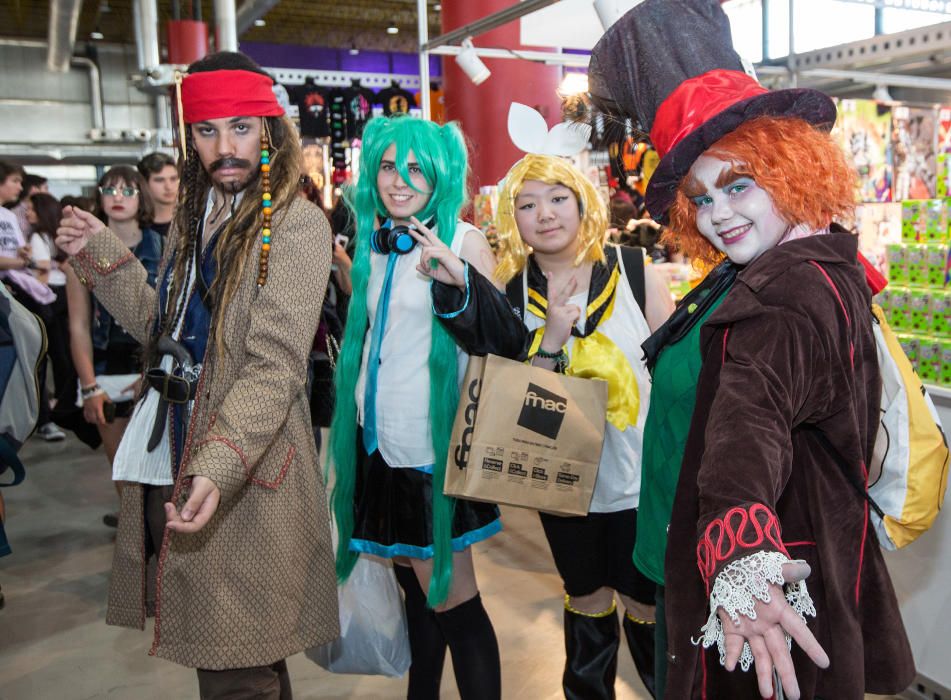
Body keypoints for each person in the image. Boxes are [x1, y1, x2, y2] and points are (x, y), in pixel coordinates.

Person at [585, 2, 915, 698]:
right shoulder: (795, 263)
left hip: (772, 602)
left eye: (739, 186)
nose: (718, 213)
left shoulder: (779, 295)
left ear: (793, 173)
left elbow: (748, 421)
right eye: (701, 199)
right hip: (796, 574)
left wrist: (740, 556)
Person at [56, 51, 338, 699]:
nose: (225, 147)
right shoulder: (197, 216)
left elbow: (274, 365)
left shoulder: (294, 225)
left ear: (270, 129)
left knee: (235, 655)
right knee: (245, 649)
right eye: (208, 131)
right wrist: (99, 253)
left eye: (241, 127)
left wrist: (216, 463)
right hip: (178, 445)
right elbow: (165, 327)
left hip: (242, 468)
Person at [411, 105, 675, 699]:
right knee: (585, 597)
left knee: (644, 602)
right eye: (527, 205)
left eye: (556, 198)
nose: (544, 214)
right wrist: (551, 341)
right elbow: (517, 410)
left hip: (643, 481)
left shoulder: (635, 272)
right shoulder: (509, 294)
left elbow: (679, 379)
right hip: (562, 486)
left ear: (582, 202)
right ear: (514, 219)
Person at [329, 114, 503, 700]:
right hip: (378, 444)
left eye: (415, 169)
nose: (398, 181)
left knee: (456, 605)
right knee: (418, 598)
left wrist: (461, 285)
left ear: (440, 174)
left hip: (431, 452)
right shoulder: (374, 243)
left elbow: (504, 344)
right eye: (386, 166)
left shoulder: (462, 239)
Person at [64, 165, 162, 526]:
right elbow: (78, 327)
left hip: (154, 372)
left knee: (160, 473)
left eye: (128, 190)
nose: (118, 198)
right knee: (123, 473)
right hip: (107, 374)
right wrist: (88, 386)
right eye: (110, 190)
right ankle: (136, 543)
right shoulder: (79, 255)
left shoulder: (165, 248)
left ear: (142, 197)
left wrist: (153, 373)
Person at [0, 160, 62, 441]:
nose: (18, 186)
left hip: (23, 289)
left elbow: (17, 252)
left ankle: (39, 417)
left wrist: (21, 256)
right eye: (13, 180)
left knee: (37, 354)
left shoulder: (10, 216)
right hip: (11, 291)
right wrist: (17, 260)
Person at [25, 193, 74, 412]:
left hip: (47, 296)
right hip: (65, 292)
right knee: (64, 350)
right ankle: (67, 398)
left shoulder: (37, 237)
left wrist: (26, 262)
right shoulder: (56, 235)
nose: (27, 213)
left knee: (49, 352)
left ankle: (52, 405)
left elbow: (42, 266)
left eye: (32, 209)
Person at [137, 151, 179, 239]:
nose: (168, 187)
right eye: (159, 180)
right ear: (144, 183)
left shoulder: (191, 222)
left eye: (173, 179)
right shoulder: (134, 226)